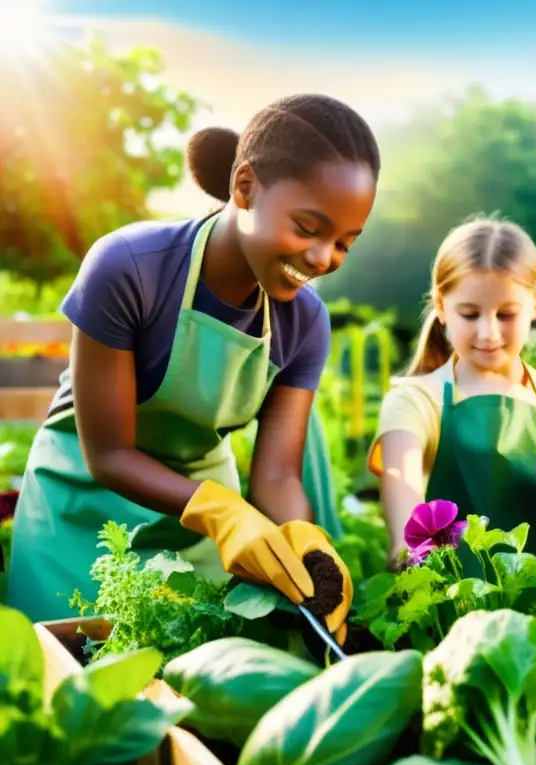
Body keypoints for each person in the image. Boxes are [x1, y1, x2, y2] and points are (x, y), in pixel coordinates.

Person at [8, 94, 377, 642]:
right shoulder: (130, 268)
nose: (324, 259)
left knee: (197, 687)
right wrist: (225, 514)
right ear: (245, 187)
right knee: (68, 682)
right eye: (307, 227)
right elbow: (109, 453)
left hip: (200, 525)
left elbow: (277, 476)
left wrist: (305, 542)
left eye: (345, 243)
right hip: (80, 508)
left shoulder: (304, 322)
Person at [369, 217, 536, 573]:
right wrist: (409, 560)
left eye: (506, 314)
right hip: (443, 614)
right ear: (440, 306)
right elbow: (402, 500)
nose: (488, 332)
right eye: (469, 313)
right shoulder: (416, 400)